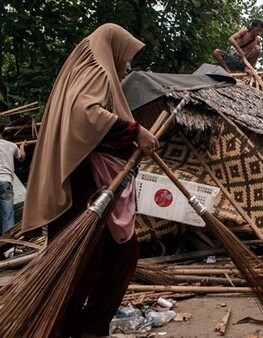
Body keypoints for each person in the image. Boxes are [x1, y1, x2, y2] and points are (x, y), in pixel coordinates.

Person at [21, 23, 158, 337]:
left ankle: (87, 329)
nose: (128, 67)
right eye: (127, 58)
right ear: (113, 50)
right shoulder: (97, 69)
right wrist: (136, 131)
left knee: (113, 259)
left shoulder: (86, 71)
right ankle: (64, 330)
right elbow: (86, 115)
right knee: (84, 266)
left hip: (90, 180)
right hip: (85, 183)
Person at [0, 125, 26, 235]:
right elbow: (22, 158)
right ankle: (9, 248)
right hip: (5, 182)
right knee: (8, 216)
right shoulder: (11, 146)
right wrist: (22, 146)